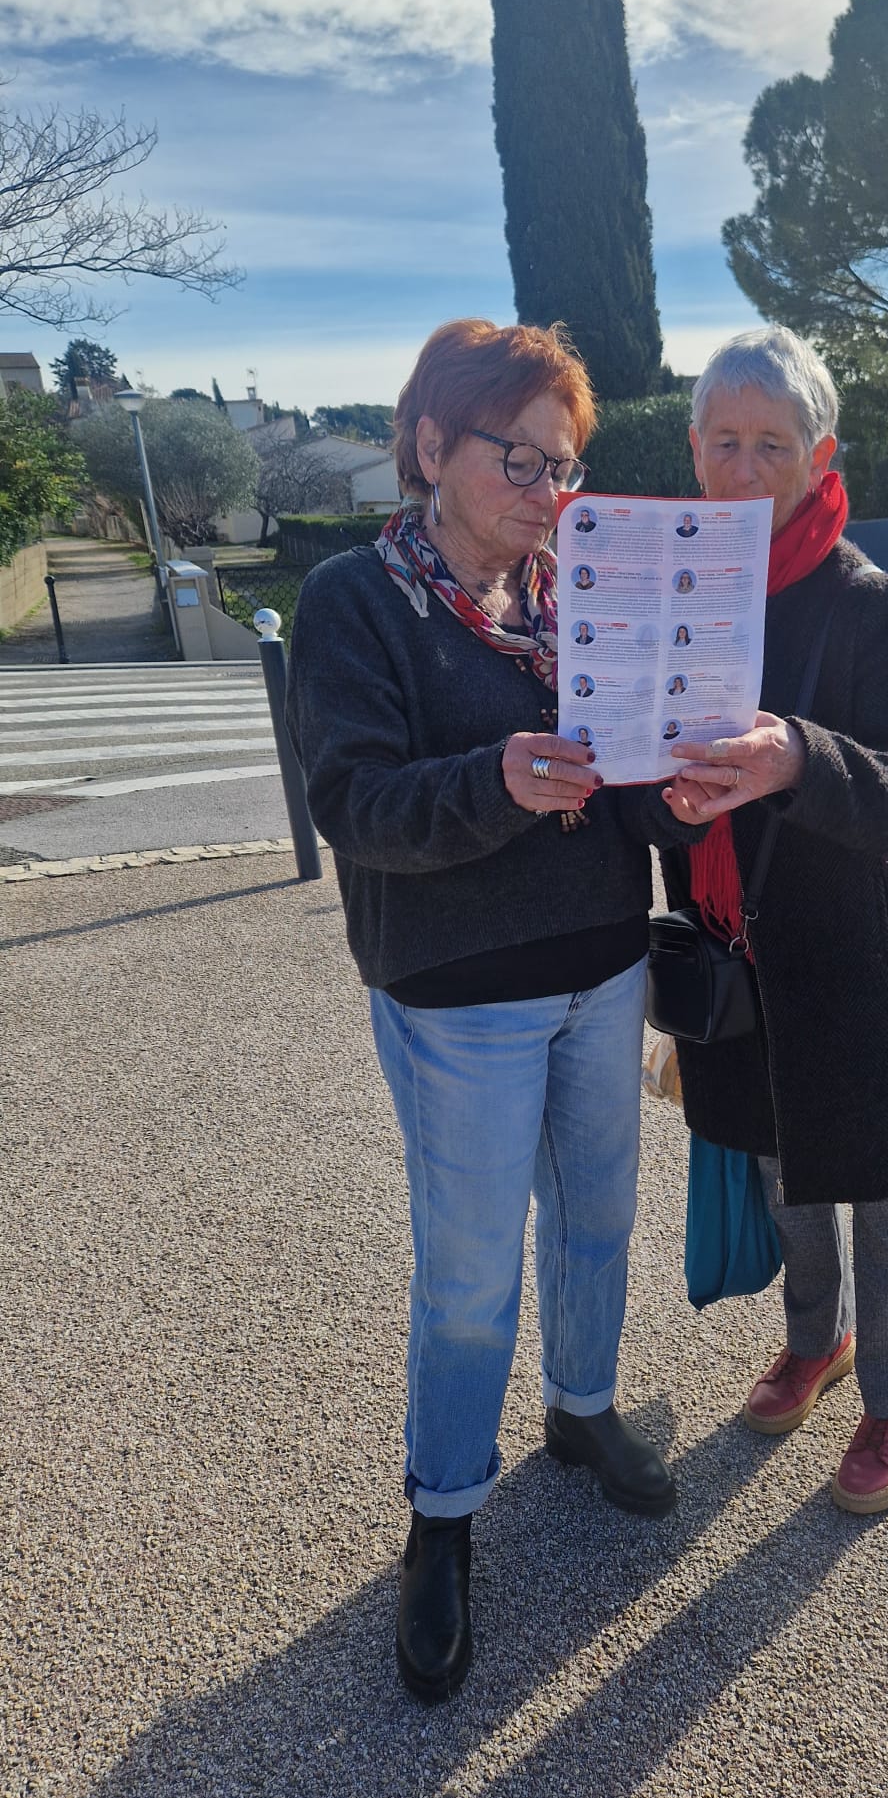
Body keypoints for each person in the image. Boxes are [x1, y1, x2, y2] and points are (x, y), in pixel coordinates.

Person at [285, 319, 696, 1706]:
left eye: (562, 464)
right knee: (469, 1275)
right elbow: (352, 804)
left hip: (604, 962)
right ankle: (445, 1513)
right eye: (516, 456)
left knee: (599, 1221)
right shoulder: (358, 600)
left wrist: (679, 783)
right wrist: (496, 779)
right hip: (460, 995)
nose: (545, 488)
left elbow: (624, 783)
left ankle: (581, 1410)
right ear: (428, 445)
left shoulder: (580, 595)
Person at [659, 324, 888, 1517]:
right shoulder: (672, 594)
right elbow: (647, 773)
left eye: (772, 444)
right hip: (739, 951)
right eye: (724, 441)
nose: (744, 468)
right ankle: (814, 1339)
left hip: (862, 958)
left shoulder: (869, 601)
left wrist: (798, 754)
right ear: (693, 447)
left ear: (819, 453)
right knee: (784, 1170)